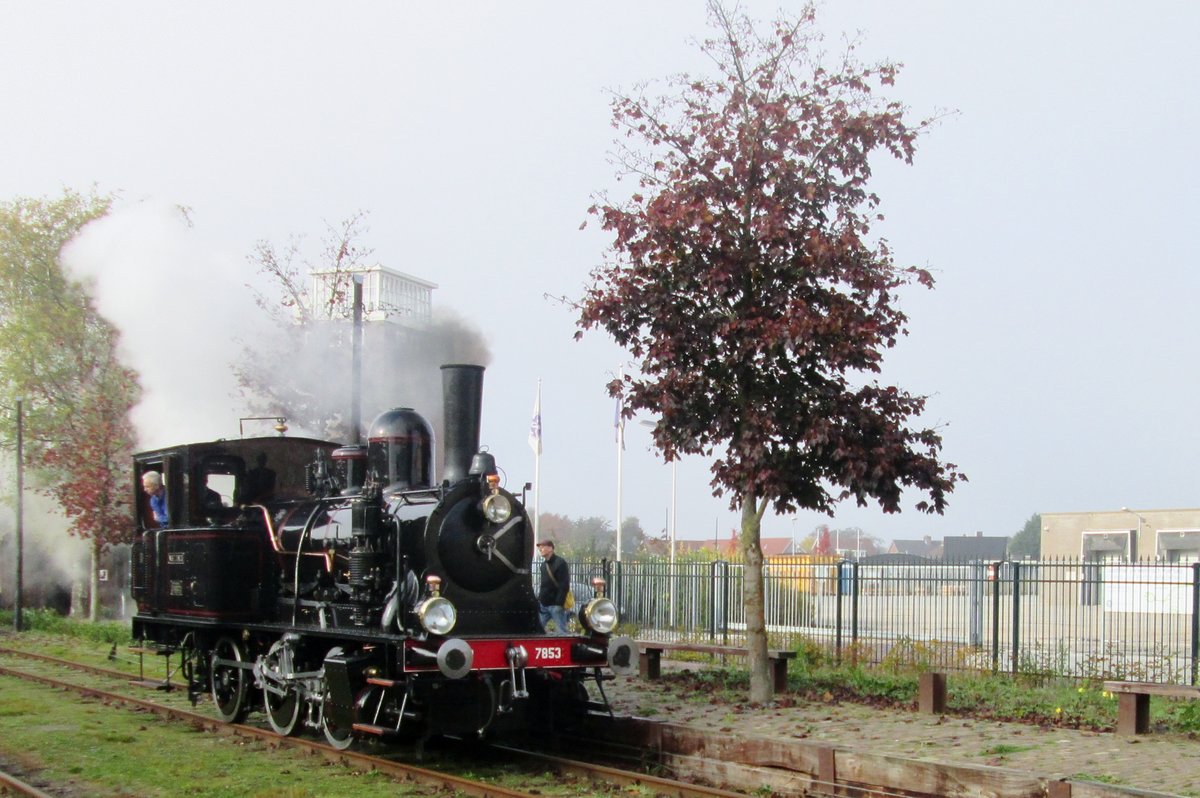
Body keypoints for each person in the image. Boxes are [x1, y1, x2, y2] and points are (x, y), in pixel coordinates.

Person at [536, 539, 572, 633]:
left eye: (543, 546)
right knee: (536, 630)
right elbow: (543, 585)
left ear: (551, 548)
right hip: (544, 604)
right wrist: (540, 600)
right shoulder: (543, 565)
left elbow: (564, 584)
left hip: (555, 605)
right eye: (540, 547)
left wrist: (559, 603)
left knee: (561, 631)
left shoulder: (560, 563)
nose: (540, 549)